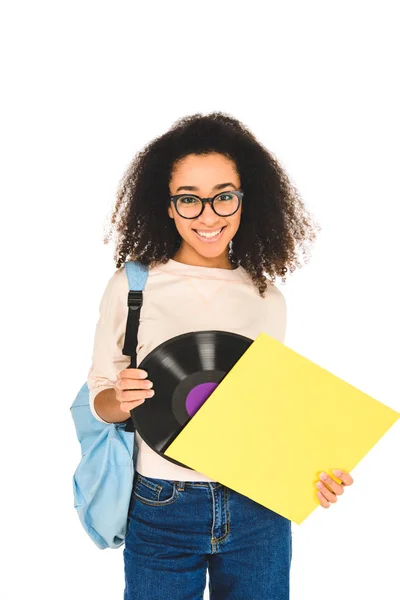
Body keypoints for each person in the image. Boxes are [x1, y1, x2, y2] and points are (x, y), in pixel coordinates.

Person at [87, 112, 354, 599]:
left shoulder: (266, 298)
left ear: (245, 200)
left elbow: (269, 413)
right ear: (167, 206)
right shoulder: (134, 286)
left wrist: (315, 473)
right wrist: (121, 399)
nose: (208, 216)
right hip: (161, 504)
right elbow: (99, 399)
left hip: (259, 508)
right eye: (188, 199)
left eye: (223, 196)